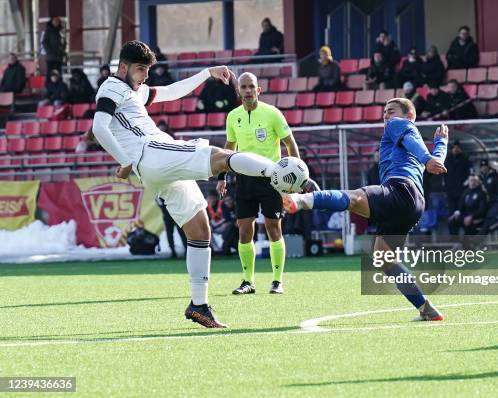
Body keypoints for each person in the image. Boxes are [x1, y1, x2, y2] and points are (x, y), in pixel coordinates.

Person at [92, 40, 286, 328]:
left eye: (147, 69)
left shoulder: (134, 91)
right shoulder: (111, 87)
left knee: (199, 228)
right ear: (123, 67)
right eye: (140, 69)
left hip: (154, 166)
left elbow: (171, 92)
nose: (145, 75)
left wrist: (207, 72)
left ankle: (199, 305)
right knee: (220, 157)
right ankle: (280, 173)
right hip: (152, 152)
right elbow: (98, 127)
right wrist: (125, 161)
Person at [283, 98, 449, 322]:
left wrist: (427, 157)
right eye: (384, 112)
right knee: (383, 258)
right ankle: (426, 308)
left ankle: (301, 200)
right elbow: (436, 161)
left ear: (410, 116)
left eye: (391, 111)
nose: (386, 116)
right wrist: (440, 145)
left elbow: (417, 147)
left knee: (353, 198)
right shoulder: (409, 139)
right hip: (412, 205)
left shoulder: (399, 125)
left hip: (401, 189)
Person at [218, 72, 301, 295]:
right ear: (239, 91)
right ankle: (248, 281)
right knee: (244, 229)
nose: (247, 91)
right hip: (243, 180)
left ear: (258, 90)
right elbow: (229, 148)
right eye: (243, 87)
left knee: (274, 227)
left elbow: (290, 144)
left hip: (271, 180)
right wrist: (222, 176)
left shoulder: (272, 114)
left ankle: (277, 281)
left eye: (251, 87)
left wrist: (295, 175)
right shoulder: (233, 116)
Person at [444, 141, 472, 214]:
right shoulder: (447, 160)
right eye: (454, 148)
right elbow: (444, 174)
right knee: (451, 208)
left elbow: (469, 173)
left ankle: (460, 223)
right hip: (450, 188)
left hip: (461, 188)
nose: (456, 149)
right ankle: (451, 223)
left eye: (457, 147)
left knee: (461, 207)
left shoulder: (465, 160)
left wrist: (465, 184)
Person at [43, 17, 66, 81]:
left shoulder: (61, 31)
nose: (56, 23)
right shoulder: (48, 31)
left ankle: (59, 87)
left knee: (59, 73)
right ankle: (49, 88)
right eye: (55, 21)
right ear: (52, 22)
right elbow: (44, 42)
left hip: (59, 57)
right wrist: (50, 52)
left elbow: (64, 42)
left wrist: (63, 51)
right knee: (50, 74)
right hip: (51, 58)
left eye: (58, 22)